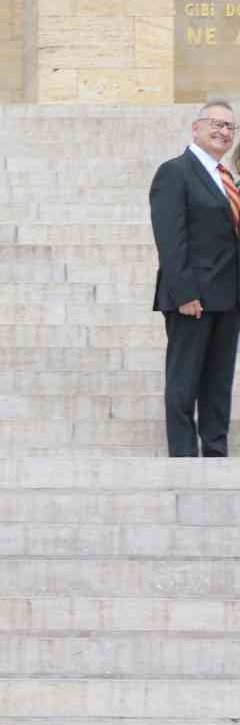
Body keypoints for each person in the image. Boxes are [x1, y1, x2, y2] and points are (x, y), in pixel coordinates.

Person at [150, 100, 240, 457]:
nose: (223, 132)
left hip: (229, 297)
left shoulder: (227, 178)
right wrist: (185, 292)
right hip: (193, 298)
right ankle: (184, 456)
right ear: (196, 128)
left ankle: (216, 451)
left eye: (230, 127)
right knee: (184, 381)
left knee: (218, 382)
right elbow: (171, 240)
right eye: (216, 124)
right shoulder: (175, 172)